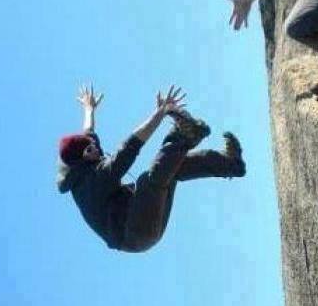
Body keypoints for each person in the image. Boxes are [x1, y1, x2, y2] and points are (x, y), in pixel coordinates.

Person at [56, 84, 245, 252]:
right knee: (148, 180)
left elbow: (88, 132)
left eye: (92, 145)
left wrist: (89, 108)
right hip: (134, 233)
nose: (96, 149)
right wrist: (160, 113)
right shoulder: (93, 182)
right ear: (82, 159)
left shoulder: (85, 155)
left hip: (139, 219)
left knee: (172, 170)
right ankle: (185, 135)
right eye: (91, 149)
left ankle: (231, 164)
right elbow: (130, 147)